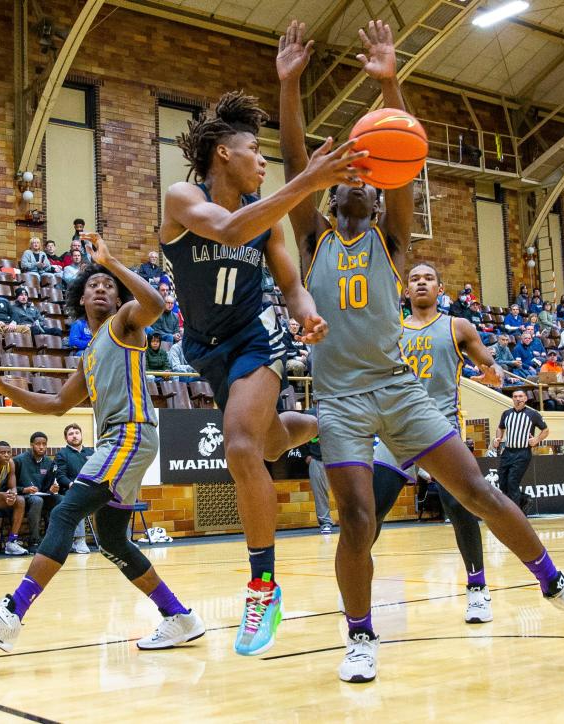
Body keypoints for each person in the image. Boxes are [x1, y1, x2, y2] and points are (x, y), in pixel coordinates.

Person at [279, 19, 564, 683]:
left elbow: (403, 156)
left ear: (375, 198)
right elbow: (294, 166)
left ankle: (556, 583)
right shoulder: (313, 233)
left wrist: (390, 81)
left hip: (399, 390)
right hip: (341, 399)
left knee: (478, 493)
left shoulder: (393, 244)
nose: (357, 184)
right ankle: (360, 636)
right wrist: (288, 86)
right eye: (346, 178)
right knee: (357, 520)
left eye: (368, 182)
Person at [160, 74, 360, 655]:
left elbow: (291, 286)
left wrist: (307, 314)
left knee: (241, 446)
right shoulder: (182, 199)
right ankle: (323, 424)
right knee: (270, 442)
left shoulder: (269, 215)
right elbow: (226, 229)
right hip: (205, 347)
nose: (263, 162)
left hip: (258, 334)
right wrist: (306, 182)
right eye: (256, 151)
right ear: (225, 152)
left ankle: (263, 587)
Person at [0, 233, 202, 653]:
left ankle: (11, 614)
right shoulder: (89, 354)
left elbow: (157, 306)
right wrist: (2, 385)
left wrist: (112, 262)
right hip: (121, 440)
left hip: (130, 433)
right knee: (112, 540)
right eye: (94, 285)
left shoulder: (126, 322)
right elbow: (54, 404)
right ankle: (179, 617)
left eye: (108, 283)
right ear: (80, 300)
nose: (102, 287)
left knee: (66, 511)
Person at [369, 262, 502, 625]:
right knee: (371, 508)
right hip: (395, 428)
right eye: (415, 279)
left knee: (459, 508)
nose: (422, 282)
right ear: (406, 291)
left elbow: (489, 366)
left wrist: (492, 371)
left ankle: (477, 589)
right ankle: (357, 582)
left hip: (440, 427)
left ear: (439, 288)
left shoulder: (458, 326)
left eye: (429, 278)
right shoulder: (390, 328)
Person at [491, 389, 549, 512]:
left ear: (525, 399)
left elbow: (545, 430)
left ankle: (515, 513)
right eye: (515, 396)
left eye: (521, 396)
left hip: (522, 453)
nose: (518, 399)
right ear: (512, 398)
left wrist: (537, 439)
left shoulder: (533, 414)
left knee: (512, 481)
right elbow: (500, 428)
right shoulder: (506, 413)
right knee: (502, 482)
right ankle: (524, 499)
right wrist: (498, 438)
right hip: (507, 452)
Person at [13, 432, 63, 553]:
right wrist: (24, 489)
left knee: (61, 499)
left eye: (44, 444)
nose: (41, 447)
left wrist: (52, 489)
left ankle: (53, 539)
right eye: (38, 444)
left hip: (41, 496)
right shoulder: (18, 460)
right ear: (31, 445)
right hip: (22, 497)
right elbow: (8, 486)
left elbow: (46, 487)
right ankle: (34, 540)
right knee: (37, 500)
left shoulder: (49, 463)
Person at [53, 423, 93, 552]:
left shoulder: (91, 453)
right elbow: (60, 476)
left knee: (115, 500)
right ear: (66, 439)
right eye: (71, 434)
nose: (74, 436)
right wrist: (72, 484)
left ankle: (122, 539)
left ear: (81, 435)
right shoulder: (62, 454)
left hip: (92, 490)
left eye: (77, 433)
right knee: (78, 500)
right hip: (71, 491)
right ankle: (79, 540)